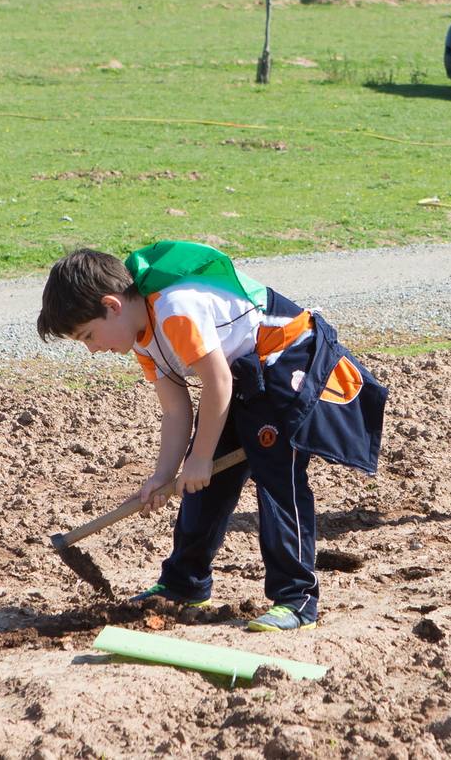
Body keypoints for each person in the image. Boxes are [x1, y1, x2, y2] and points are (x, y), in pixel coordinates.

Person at [36, 242, 386, 631]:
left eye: (88, 336)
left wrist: (200, 459)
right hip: (243, 372)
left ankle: (297, 598)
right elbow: (175, 408)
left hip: (287, 357)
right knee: (201, 481)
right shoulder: (141, 336)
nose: (93, 350)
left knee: (276, 476)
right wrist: (164, 475)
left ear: (112, 306)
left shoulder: (174, 310)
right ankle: (184, 583)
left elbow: (216, 382)